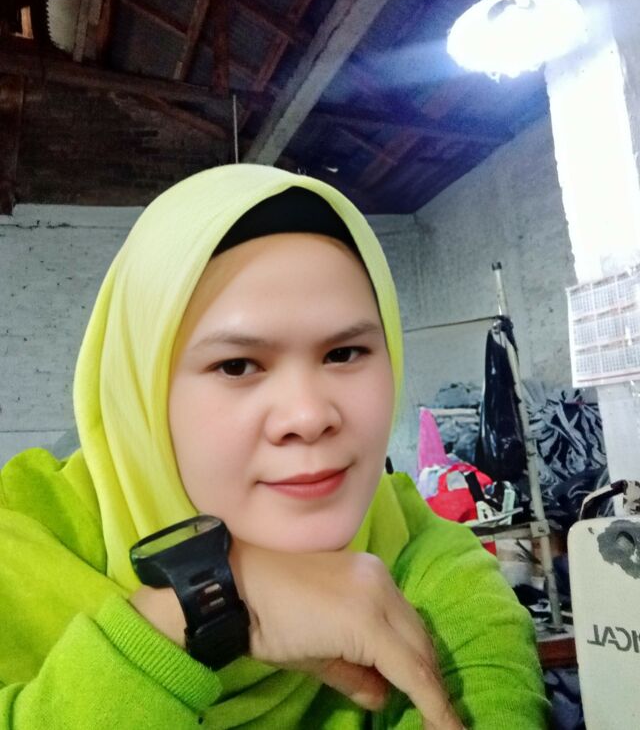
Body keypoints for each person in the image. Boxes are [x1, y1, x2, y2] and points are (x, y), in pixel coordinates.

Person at [0, 164, 549, 728]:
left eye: (344, 354)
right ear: (140, 392)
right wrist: (195, 610)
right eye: (237, 365)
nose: (308, 417)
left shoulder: (428, 565)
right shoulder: (21, 546)